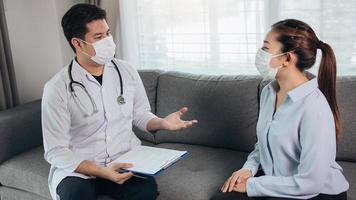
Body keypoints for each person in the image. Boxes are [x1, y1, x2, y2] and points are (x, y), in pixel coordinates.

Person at [42, 4, 197, 200]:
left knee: (145, 191)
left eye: (107, 34)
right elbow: (55, 151)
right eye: (98, 38)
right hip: (79, 169)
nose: (107, 41)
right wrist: (101, 171)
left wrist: (161, 123)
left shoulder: (126, 71)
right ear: (77, 43)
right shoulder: (57, 88)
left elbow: (140, 114)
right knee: (76, 195)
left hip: (125, 159)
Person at [212, 19, 349, 200]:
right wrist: (248, 169)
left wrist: (253, 185)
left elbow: (310, 182)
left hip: (315, 191)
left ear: (287, 58)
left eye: (266, 48)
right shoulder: (269, 92)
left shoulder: (314, 108)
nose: (260, 53)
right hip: (279, 182)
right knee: (221, 197)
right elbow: (263, 144)